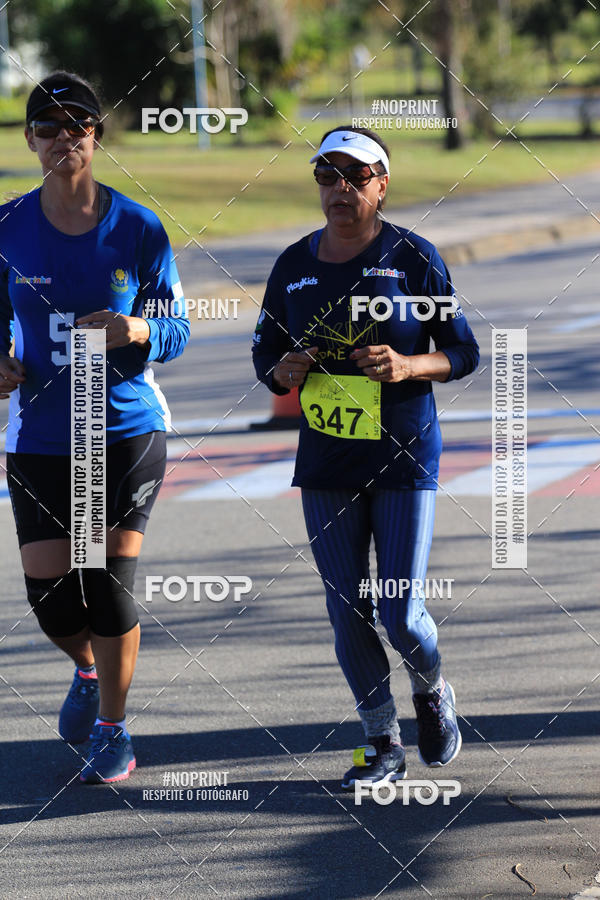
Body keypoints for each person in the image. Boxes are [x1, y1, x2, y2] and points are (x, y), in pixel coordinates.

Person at [252, 125, 479, 789]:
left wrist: (409, 365)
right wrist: (281, 372)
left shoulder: (414, 257)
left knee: (400, 613)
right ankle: (381, 740)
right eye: (327, 175)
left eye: (355, 176)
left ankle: (432, 690)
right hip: (327, 462)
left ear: (382, 185)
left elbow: (464, 351)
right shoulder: (293, 264)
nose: (340, 189)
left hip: (403, 454)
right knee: (346, 608)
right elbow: (265, 352)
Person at [0, 71, 189, 783]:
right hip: (43, 434)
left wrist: (139, 328)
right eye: (47, 127)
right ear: (29, 140)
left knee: (106, 582)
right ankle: (86, 669)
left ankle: (113, 726)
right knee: (53, 601)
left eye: (77, 124)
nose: (63, 138)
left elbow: (176, 328)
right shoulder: (6, 228)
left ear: (97, 136)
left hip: (125, 427)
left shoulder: (138, 227)